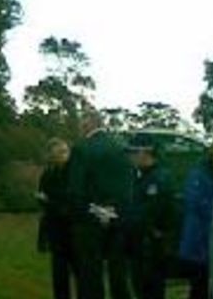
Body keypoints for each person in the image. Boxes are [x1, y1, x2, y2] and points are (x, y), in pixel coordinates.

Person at [67, 117, 134, 299]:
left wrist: (96, 211)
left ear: (87, 125)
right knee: (118, 270)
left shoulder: (81, 149)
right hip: (118, 217)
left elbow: (75, 190)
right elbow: (129, 185)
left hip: (90, 220)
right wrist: (115, 211)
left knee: (90, 272)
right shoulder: (121, 148)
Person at [127, 133, 176, 299]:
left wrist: (121, 216)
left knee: (150, 289)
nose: (130, 157)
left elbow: (149, 212)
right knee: (141, 288)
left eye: (133, 152)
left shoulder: (159, 178)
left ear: (144, 153)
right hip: (141, 244)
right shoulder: (140, 175)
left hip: (151, 245)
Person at [178, 139, 213, 299]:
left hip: (210, 238)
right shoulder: (199, 174)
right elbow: (196, 202)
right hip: (199, 239)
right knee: (199, 283)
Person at [38, 138, 76, 299]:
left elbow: (71, 197)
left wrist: (51, 201)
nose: (63, 155)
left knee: (79, 269)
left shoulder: (74, 174)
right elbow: (42, 195)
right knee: (59, 271)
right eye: (58, 152)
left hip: (73, 227)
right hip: (55, 228)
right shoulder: (48, 174)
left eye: (65, 151)